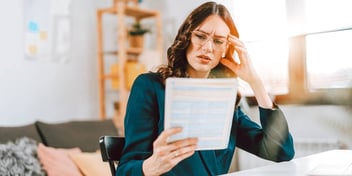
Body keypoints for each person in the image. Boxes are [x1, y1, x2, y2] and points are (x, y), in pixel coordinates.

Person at [116, 1, 295, 175]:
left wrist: (255, 82)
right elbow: (125, 171)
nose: (208, 47)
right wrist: (150, 167)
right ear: (186, 37)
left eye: (218, 41)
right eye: (200, 36)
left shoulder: (226, 101)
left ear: (226, 49)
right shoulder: (150, 87)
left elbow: (281, 152)